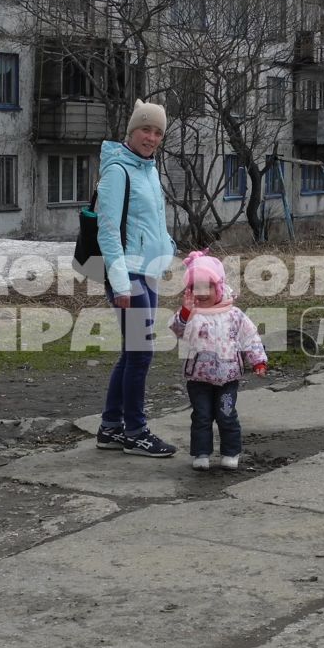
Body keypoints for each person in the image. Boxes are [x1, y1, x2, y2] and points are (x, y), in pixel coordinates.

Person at [94, 100, 179, 457]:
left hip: (148, 269)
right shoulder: (118, 171)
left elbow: (152, 221)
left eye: (158, 132)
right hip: (127, 272)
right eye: (146, 129)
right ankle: (135, 431)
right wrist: (121, 283)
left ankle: (111, 427)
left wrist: (170, 249)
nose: (152, 137)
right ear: (132, 131)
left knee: (133, 352)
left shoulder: (147, 168)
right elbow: (108, 230)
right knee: (141, 353)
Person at [169, 249, 267, 471]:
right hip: (198, 378)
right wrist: (185, 313)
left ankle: (231, 452)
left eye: (208, 287)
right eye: (196, 288)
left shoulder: (234, 315)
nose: (202, 293)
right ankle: (201, 453)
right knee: (201, 416)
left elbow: (250, 337)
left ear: (219, 286)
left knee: (226, 414)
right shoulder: (191, 314)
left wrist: (258, 360)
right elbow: (177, 331)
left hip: (228, 378)